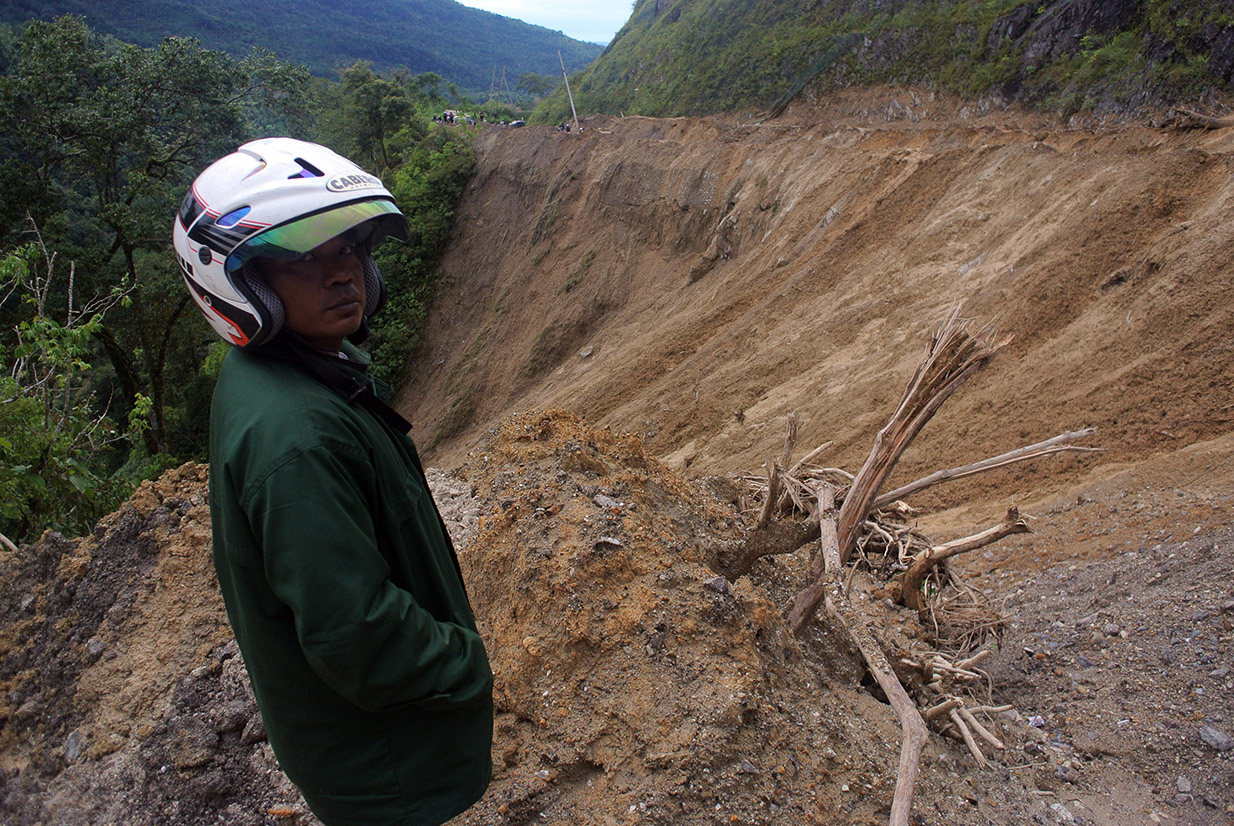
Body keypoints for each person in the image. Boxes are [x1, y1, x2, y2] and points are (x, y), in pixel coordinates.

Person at [172, 138, 493, 826]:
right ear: (239, 280)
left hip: (372, 750)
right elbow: (358, 636)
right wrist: (466, 664)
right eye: (302, 258)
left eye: (349, 248)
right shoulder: (296, 436)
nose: (342, 273)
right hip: (388, 766)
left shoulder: (297, 370)